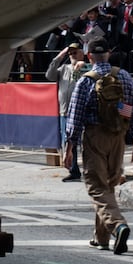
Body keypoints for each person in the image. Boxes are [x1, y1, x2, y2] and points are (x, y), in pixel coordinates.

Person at [64, 38, 133, 254]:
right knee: (108, 185)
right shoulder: (124, 77)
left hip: (95, 135)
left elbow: (75, 117)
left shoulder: (86, 81)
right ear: (109, 54)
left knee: (96, 186)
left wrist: (69, 147)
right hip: (118, 135)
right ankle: (101, 238)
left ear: (89, 56)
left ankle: (118, 225)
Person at [47, 41, 92, 181]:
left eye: (75, 52)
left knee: (86, 143)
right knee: (69, 142)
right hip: (65, 111)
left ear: (81, 53)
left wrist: (84, 65)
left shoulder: (86, 67)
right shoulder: (64, 69)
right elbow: (49, 75)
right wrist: (59, 57)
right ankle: (73, 170)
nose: (72, 55)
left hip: (81, 111)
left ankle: (91, 169)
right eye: (70, 53)